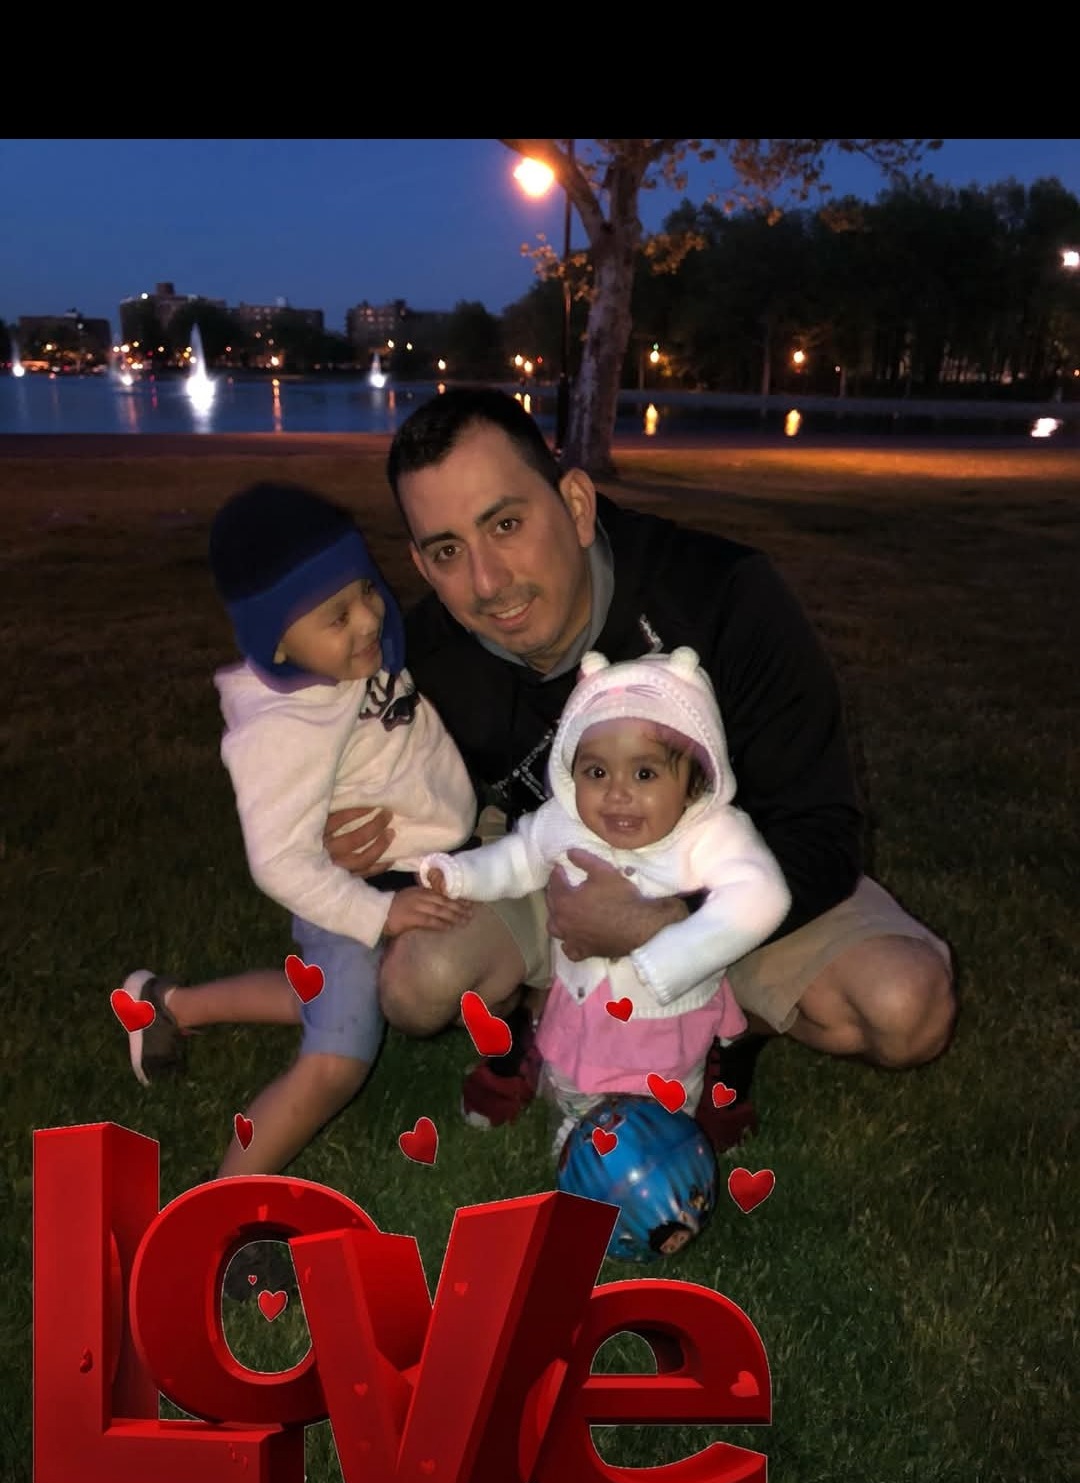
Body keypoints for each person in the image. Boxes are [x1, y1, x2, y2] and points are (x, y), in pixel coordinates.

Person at [322, 389, 956, 1144]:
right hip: (551, 860)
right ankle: (540, 1023)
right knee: (414, 985)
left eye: (507, 525)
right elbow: (404, 829)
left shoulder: (724, 596)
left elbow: (823, 831)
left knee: (906, 1009)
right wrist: (368, 849)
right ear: (422, 564)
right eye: (448, 551)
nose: (487, 583)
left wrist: (672, 921)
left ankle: (722, 1031)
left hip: (726, 870)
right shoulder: (422, 660)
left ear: (576, 505)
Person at [119, 482, 477, 1197]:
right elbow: (279, 861)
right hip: (352, 891)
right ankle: (220, 1211)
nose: (368, 618)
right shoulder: (286, 727)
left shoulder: (348, 659)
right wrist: (379, 913)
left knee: (329, 992)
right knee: (337, 1058)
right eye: (337, 615)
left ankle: (170, 1006)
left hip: (401, 870)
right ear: (276, 641)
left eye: (366, 591)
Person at [417, 645, 790, 1152]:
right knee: (577, 1086)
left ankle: (659, 1156)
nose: (617, 793)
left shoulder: (710, 835)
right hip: (583, 1010)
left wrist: (674, 954)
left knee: (665, 1105)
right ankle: (578, 1138)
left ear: (695, 779)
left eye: (645, 774)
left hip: (667, 1023)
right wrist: (460, 874)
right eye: (596, 773)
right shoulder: (565, 822)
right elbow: (518, 858)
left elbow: (762, 892)